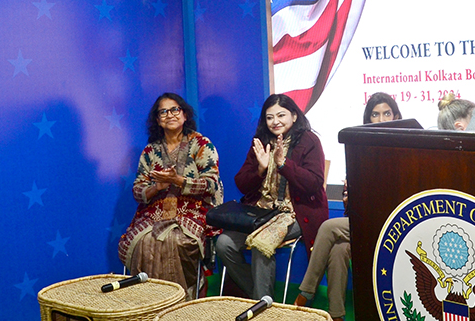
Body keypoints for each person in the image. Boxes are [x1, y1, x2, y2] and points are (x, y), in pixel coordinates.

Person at [295, 93, 403, 320]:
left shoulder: (403, 146)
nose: (381, 119)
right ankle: (336, 315)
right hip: (363, 218)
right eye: (375, 114)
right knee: (339, 250)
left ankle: (305, 292)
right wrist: (351, 191)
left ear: (396, 115)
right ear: (368, 118)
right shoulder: (360, 148)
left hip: (390, 222)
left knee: (327, 228)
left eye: (386, 113)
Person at [216, 94, 329, 300]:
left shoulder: (309, 140)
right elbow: (241, 184)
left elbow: (314, 184)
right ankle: (259, 297)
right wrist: (260, 168)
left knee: (262, 243)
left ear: (294, 116)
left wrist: (284, 164)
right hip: (261, 211)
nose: (275, 121)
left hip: (295, 212)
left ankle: (261, 305)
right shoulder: (261, 142)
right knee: (224, 243)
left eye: (281, 115)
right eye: (269, 117)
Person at [118, 93, 223, 300]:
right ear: (157, 120)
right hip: (154, 212)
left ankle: (183, 300)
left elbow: (211, 185)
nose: (170, 115)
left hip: (193, 211)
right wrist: (158, 186)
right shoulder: (150, 151)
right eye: (163, 112)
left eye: (175, 109)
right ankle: (147, 302)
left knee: (175, 240)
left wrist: (179, 181)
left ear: (184, 115)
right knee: (144, 241)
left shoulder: (201, 144)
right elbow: (138, 191)